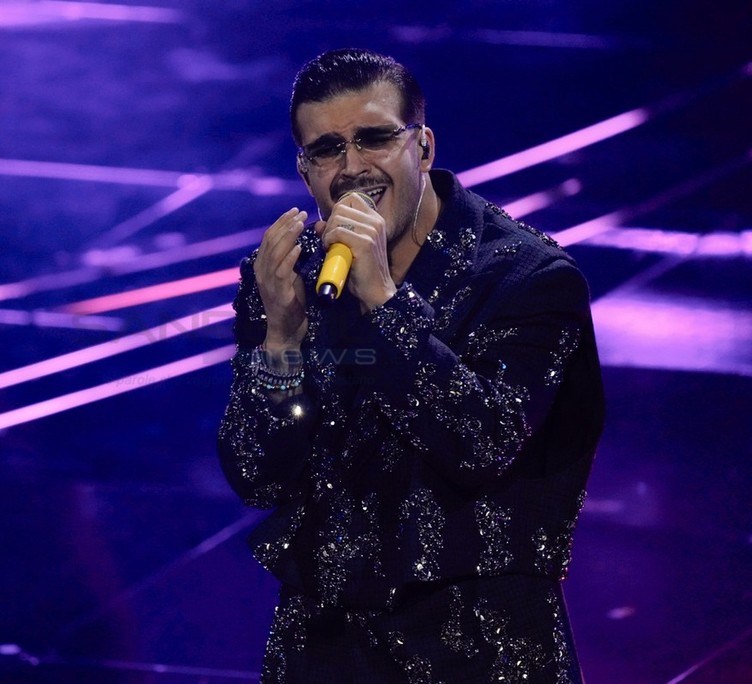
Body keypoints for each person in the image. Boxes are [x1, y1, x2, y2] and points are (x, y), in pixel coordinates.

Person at [218, 48, 604, 683]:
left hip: (483, 650)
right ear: (305, 171)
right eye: (327, 150)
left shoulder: (528, 280)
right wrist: (281, 339)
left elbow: (481, 445)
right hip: (322, 649)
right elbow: (257, 475)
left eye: (374, 139)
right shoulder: (289, 278)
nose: (352, 168)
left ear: (422, 148)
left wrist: (383, 301)